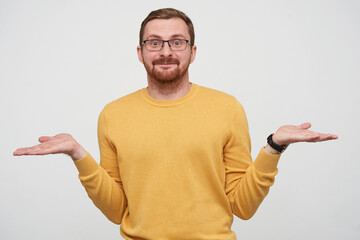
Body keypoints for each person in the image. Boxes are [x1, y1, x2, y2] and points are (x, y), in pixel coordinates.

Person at [13, 8, 337, 240]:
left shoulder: (227, 108)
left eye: (177, 42)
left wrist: (274, 146)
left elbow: (242, 206)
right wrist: (77, 154)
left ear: (192, 52)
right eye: (154, 42)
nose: (165, 51)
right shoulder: (113, 114)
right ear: (140, 53)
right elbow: (116, 211)